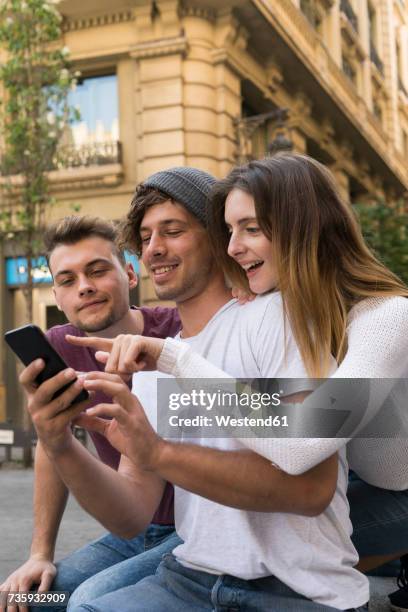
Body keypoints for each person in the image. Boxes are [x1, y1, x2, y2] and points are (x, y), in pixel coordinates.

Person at [14, 169, 341, 612]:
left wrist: (157, 451)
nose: (155, 249)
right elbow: (131, 515)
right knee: (36, 602)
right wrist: (60, 445)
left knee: (84, 600)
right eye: (146, 237)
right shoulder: (153, 361)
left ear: (217, 238)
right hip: (190, 574)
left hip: (292, 588)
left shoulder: (274, 316)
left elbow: (312, 489)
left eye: (172, 231)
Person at [100, 155, 408, 608]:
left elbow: (299, 443)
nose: (232, 248)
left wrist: (175, 359)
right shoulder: (295, 312)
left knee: (274, 539)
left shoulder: (386, 317)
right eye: (229, 231)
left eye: (251, 228)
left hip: (398, 499)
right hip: (361, 484)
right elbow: (269, 413)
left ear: (303, 226)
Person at [0, 216, 181, 612]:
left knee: (86, 603)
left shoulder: (176, 335)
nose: (84, 286)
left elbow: (312, 421)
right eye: (67, 280)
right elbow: (53, 442)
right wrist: (39, 552)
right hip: (131, 532)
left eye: (98, 271)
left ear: (130, 275)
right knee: (26, 600)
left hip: (187, 533)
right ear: (57, 294)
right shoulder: (60, 346)